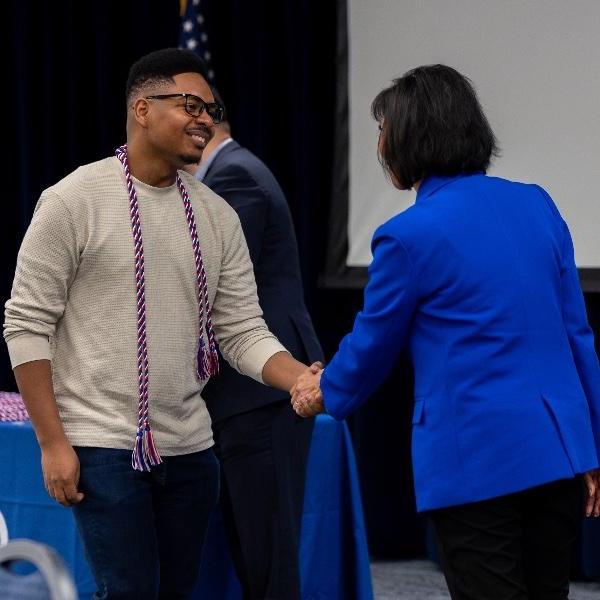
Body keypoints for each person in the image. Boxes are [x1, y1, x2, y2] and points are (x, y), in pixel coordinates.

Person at [3, 48, 315, 600]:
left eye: (211, 110)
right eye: (191, 105)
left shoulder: (216, 215)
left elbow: (242, 330)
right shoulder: (74, 199)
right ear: (142, 109)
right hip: (102, 447)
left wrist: (302, 379)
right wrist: (53, 443)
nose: (206, 120)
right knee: (130, 593)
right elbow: (26, 324)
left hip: (192, 450)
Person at [291, 64, 600, 600]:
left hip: (477, 460)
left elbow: (371, 345)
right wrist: (593, 445)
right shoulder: (537, 203)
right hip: (559, 452)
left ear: (409, 136)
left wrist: (322, 391)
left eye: (384, 130)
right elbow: (579, 337)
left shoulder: (407, 236)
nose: (381, 145)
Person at [186, 88, 323, 600]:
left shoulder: (234, 177)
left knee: (266, 559)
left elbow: (207, 286)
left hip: (260, 393)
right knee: (252, 551)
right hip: (247, 394)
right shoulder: (231, 172)